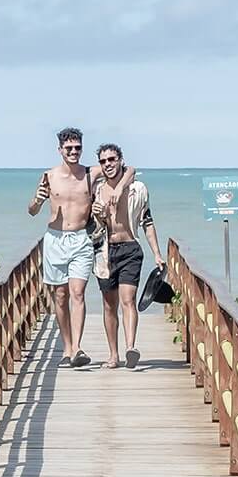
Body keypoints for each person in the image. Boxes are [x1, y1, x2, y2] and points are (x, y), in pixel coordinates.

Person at [27, 126, 97, 367]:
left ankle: (77, 348)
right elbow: (32, 211)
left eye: (78, 147)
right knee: (60, 295)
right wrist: (38, 200)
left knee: (78, 293)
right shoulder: (49, 176)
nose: (74, 151)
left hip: (81, 239)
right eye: (69, 148)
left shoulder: (91, 173)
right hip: (55, 238)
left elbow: (127, 169)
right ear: (60, 150)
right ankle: (67, 346)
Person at [90, 143, 161, 369]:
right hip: (104, 251)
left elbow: (147, 222)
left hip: (130, 248)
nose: (108, 164)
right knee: (109, 305)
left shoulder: (137, 189)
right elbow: (88, 226)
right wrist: (98, 217)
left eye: (112, 159)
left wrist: (157, 255)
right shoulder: (96, 190)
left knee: (127, 299)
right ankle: (113, 355)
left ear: (121, 160)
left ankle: (131, 347)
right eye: (103, 161)